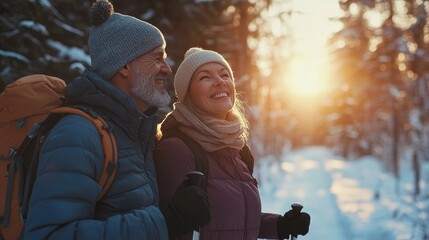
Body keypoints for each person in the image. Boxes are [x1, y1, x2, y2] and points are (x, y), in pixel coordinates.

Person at [23, 1, 210, 239]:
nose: (167, 68)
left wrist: (172, 208)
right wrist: (165, 221)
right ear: (124, 65)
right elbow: (49, 234)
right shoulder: (78, 135)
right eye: (157, 58)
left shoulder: (134, 132)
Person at [154, 47, 311, 240]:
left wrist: (278, 225)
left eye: (224, 75)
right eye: (205, 77)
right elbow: (171, 227)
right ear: (188, 94)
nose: (220, 82)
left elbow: (227, 221)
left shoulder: (237, 148)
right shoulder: (177, 150)